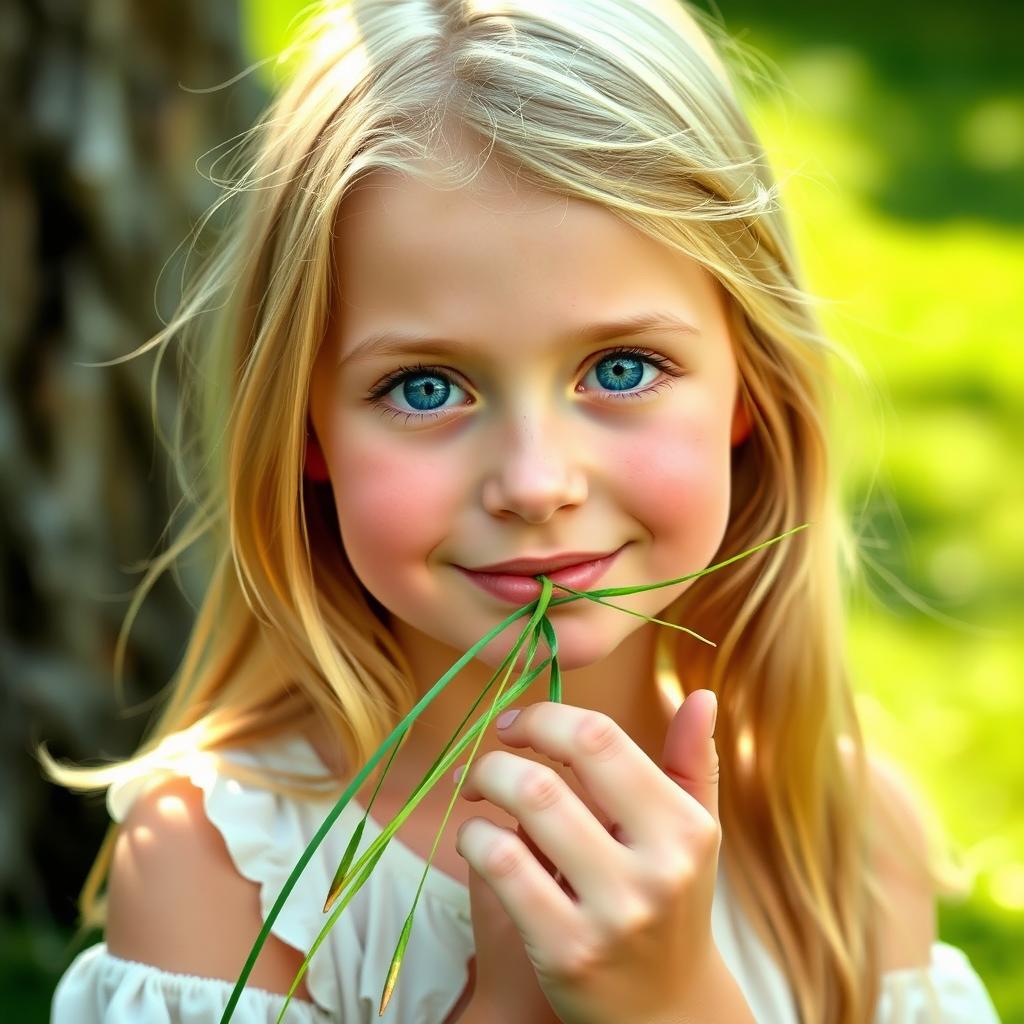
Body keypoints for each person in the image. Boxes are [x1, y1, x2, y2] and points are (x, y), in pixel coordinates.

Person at [44, 1, 1001, 1022]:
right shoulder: (225, 871)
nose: (537, 482)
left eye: (621, 368)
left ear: (749, 389)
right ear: (306, 429)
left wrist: (672, 1001)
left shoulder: (843, 848)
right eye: (423, 387)